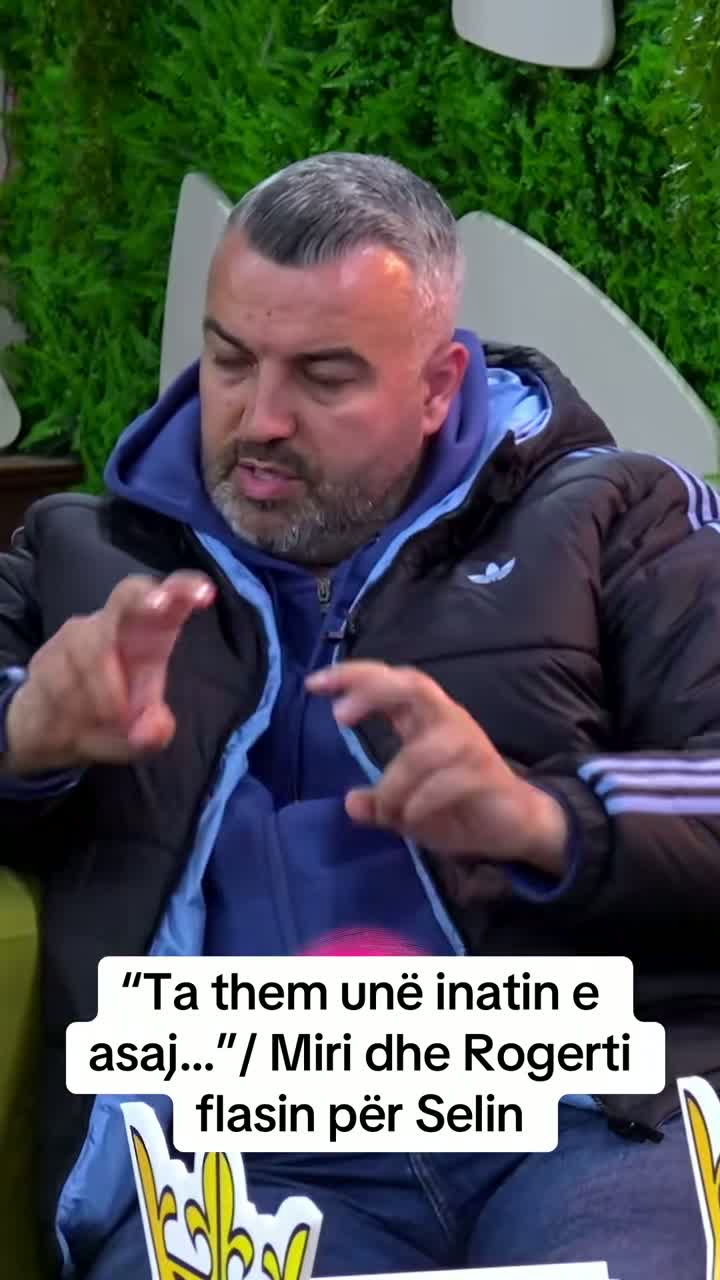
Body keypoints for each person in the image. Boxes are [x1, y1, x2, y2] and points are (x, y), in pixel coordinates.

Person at [0, 151, 714, 1279]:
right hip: (237, 1152)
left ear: (438, 384)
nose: (260, 418)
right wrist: (24, 737)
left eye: (324, 377)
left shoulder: (619, 519)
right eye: (230, 360)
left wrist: (548, 818)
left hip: (584, 1120)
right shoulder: (81, 555)